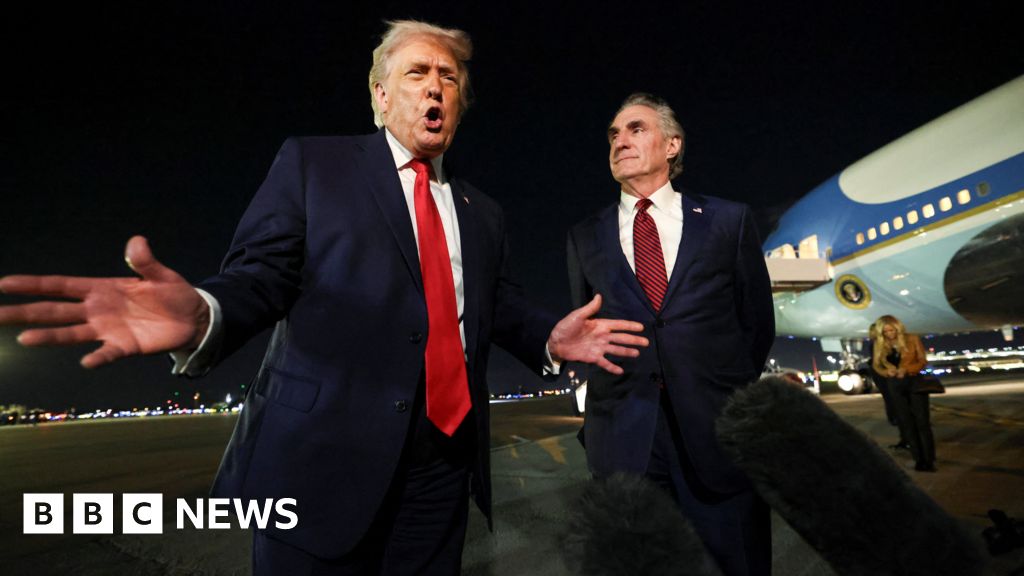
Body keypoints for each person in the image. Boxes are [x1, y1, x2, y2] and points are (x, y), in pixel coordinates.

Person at [0, 20, 649, 575]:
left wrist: (548, 336)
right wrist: (205, 312)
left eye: (449, 78)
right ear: (380, 96)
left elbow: (498, 305)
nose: (435, 87)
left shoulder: (483, 212)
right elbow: (260, 275)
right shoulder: (316, 166)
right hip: (322, 461)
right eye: (418, 72)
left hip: (442, 471)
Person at [565, 93, 775, 576]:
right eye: (614, 134)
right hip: (625, 439)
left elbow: (756, 323)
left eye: (636, 129)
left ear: (672, 144)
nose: (620, 141)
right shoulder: (583, 236)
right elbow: (587, 328)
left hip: (716, 431)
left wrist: (720, 388)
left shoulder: (728, 220)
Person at [871, 314, 936, 472]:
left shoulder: (912, 338)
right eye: (886, 331)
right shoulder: (879, 343)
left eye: (892, 330)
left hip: (914, 382)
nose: (890, 334)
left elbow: (922, 360)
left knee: (922, 422)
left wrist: (906, 369)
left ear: (898, 328)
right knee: (906, 423)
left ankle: (929, 460)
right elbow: (876, 365)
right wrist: (886, 372)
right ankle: (918, 459)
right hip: (895, 385)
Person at [866, 320, 910, 450]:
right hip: (888, 382)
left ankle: (906, 439)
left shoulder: (880, 346)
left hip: (889, 383)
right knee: (899, 410)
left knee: (897, 410)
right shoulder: (880, 346)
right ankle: (906, 438)